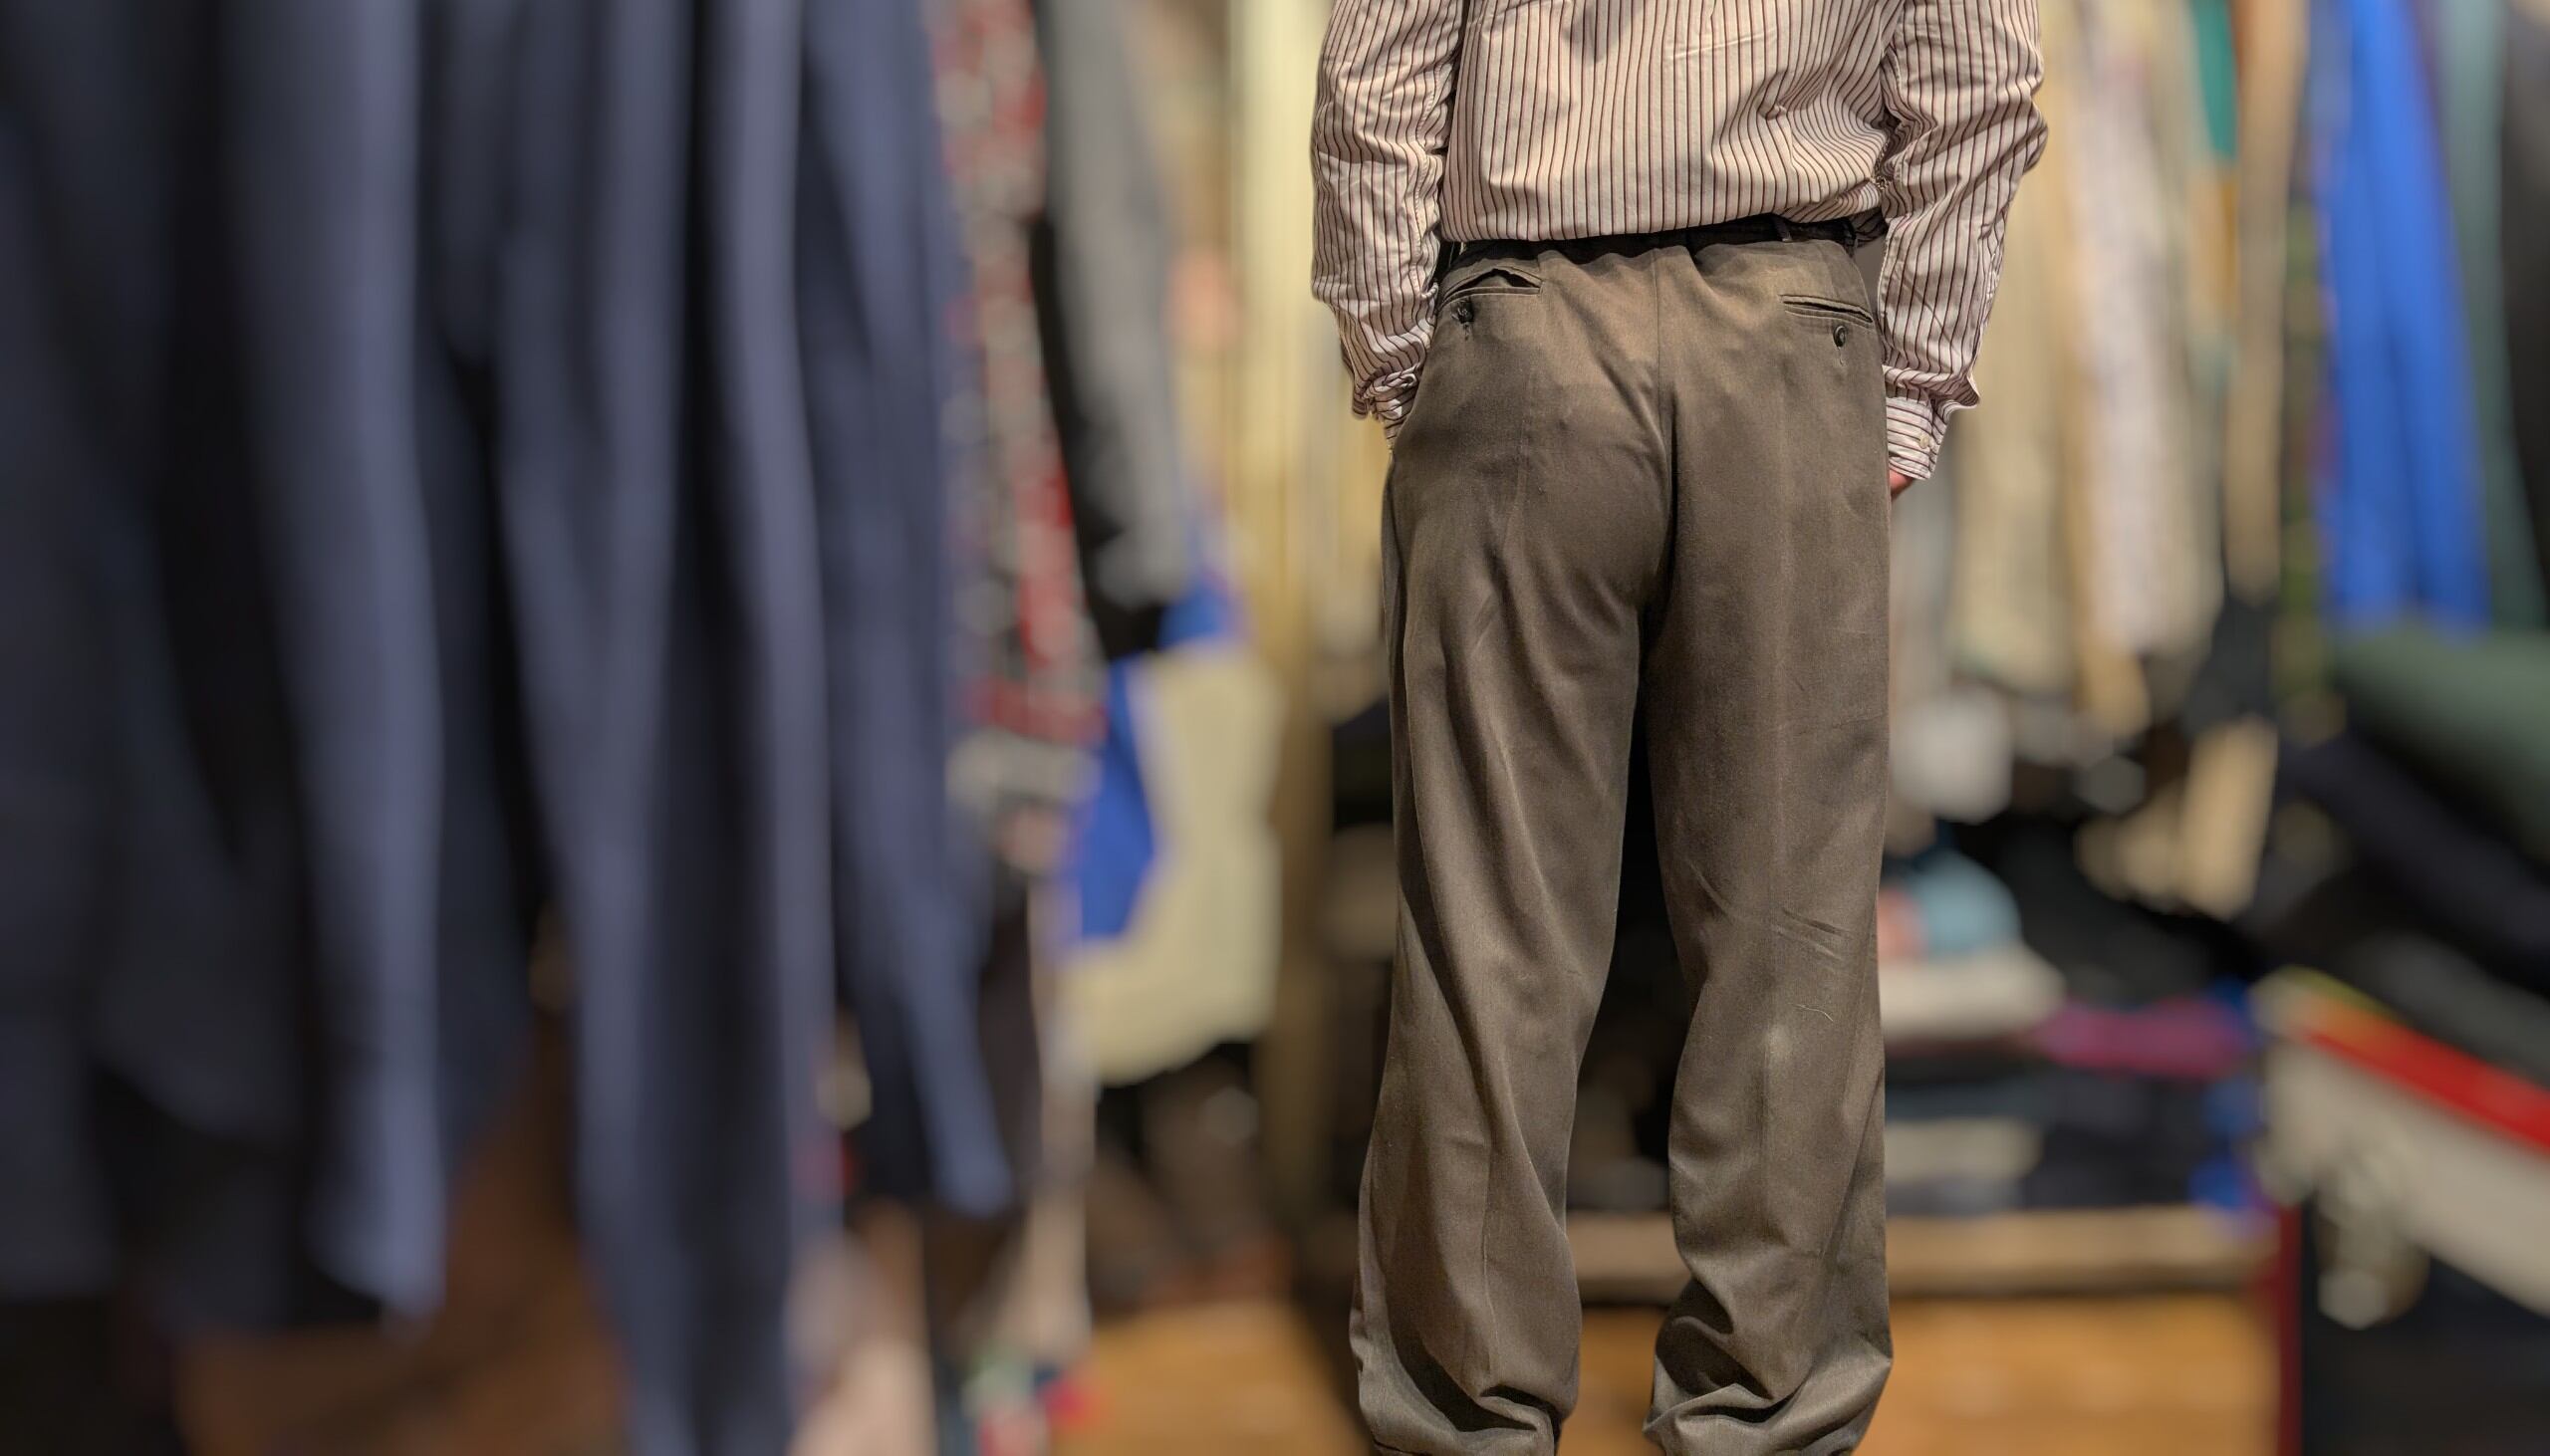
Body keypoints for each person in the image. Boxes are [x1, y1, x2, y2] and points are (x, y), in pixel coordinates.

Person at [1312, 2, 2045, 1451]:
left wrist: (1408, 360)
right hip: (1788, 333)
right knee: (1792, 944)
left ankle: (1468, 1427)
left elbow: (1377, 62)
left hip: (1525, 322)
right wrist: (1904, 388)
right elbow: (1978, 73)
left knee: (1490, 939)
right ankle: (1761, 1424)